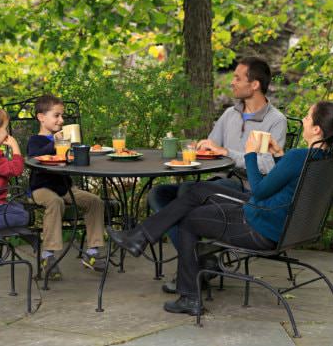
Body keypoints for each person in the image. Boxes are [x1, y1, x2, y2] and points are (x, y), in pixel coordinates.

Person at [107, 101, 333, 316]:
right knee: (200, 191)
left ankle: (189, 297)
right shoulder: (322, 160)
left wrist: (251, 153)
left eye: (306, 117)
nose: (303, 120)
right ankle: (140, 237)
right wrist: (278, 155)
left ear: (316, 129)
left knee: (188, 219)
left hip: (259, 226)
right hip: (277, 224)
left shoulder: (299, 157)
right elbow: (289, 183)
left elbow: (260, 190)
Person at [148, 56, 287, 292]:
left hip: (247, 190)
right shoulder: (230, 114)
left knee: (187, 192)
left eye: (237, 78)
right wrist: (201, 147)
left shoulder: (275, 121)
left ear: (254, 84)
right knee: (159, 194)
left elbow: (266, 165)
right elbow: (213, 147)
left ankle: (193, 269)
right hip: (218, 182)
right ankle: (202, 260)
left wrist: (227, 152)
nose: (232, 82)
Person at [27, 94, 105, 280]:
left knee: (94, 201)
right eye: (56, 115)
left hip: (65, 189)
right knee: (55, 203)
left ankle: (92, 252)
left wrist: (78, 151)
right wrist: (54, 143)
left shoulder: (65, 140)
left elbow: (72, 161)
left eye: (62, 116)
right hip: (41, 189)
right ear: (41, 117)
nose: (61, 120)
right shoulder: (36, 141)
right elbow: (33, 156)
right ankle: (48, 257)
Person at [0, 105, 29, 230]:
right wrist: (15, 146)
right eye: (5, 129)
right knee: (23, 216)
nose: (7, 133)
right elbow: (16, 169)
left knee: (18, 206)